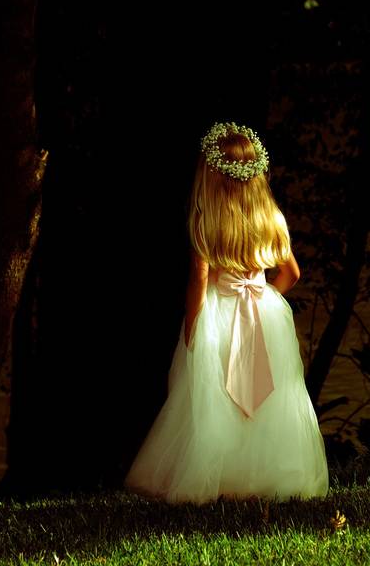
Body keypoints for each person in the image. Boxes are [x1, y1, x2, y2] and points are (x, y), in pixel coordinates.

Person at [124, 121, 329, 503]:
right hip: (264, 315)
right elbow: (292, 273)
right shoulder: (272, 219)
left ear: (210, 177)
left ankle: (214, 476)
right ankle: (269, 475)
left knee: (212, 396)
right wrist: (264, 295)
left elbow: (197, 282)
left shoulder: (207, 222)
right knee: (272, 399)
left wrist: (193, 328)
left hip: (220, 314)